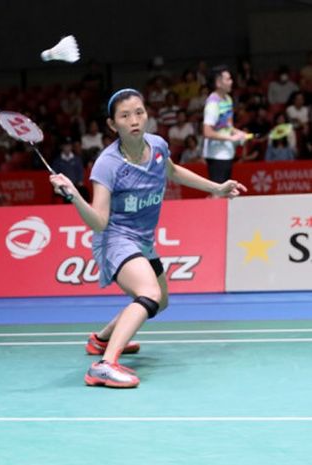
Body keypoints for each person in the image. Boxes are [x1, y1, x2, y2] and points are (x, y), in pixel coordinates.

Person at [49, 88, 246, 388]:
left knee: (161, 301)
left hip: (142, 240)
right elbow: (99, 222)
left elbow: (173, 171)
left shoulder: (157, 146)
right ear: (113, 125)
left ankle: (101, 340)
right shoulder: (107, 164)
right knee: (150, 294)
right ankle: (104, 366)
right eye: (125, 116)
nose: (134, 120)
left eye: (139, 112)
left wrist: (215, 188)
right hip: (114, 239)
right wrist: (75, 195)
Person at [202, 65, 249, 183]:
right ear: (218, 83)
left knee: (224, 193)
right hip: (216, 154)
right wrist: (230, 138)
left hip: (227, 152)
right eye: (228, 79)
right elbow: (207, 132)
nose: (231, 82)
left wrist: (239, 133)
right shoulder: (213, 103)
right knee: (217, 193)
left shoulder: (228, 99)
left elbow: (228, 126)